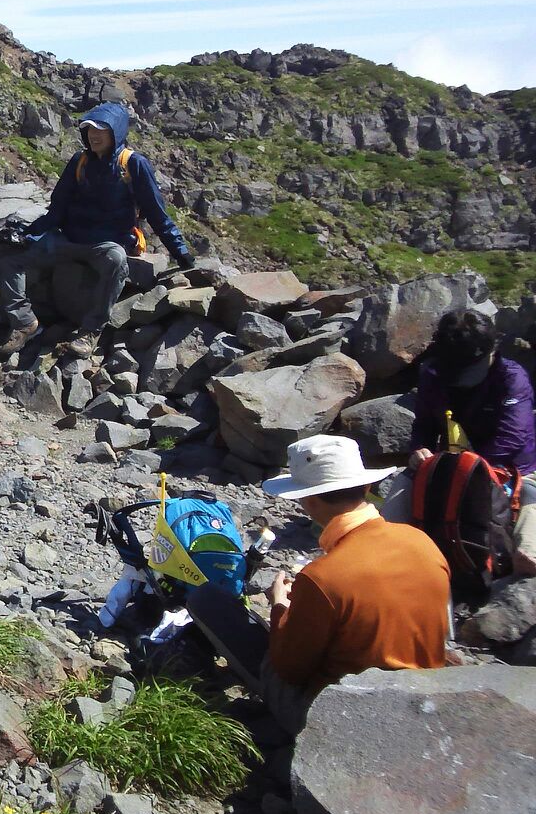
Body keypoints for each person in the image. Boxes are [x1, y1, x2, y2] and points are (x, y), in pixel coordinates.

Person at [188, 435, 450, 733]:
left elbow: (289, 669)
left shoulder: (323, 577)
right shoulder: (422, 542)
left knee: (207, 600)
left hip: (349, 720)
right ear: (366, 487)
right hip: (422, 703)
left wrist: (280, 607)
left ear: (308, 500)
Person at [0, 86, 195, 360]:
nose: (94, 134)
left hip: (106, 243)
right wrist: (27, 235)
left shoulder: (133, 164)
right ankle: (24, 323)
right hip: (69, 238)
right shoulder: (80, 161)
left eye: (101, 129)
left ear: (117, 132)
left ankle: (90, 331)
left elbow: (157, 214)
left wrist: (182, 254)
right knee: (9, 261)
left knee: (116, 260)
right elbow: (57, 210)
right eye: (89, 129)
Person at [379, 310, 536, 574]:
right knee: (395, 507)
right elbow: (425, 424)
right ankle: (387, 552)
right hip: (447, 463)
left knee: (529, 522)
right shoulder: (433, 374)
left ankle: (521, 570)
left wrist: (471, 469)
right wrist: (419, 451)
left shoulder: (511, 377)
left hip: (514, 468)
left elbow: (513, 436)